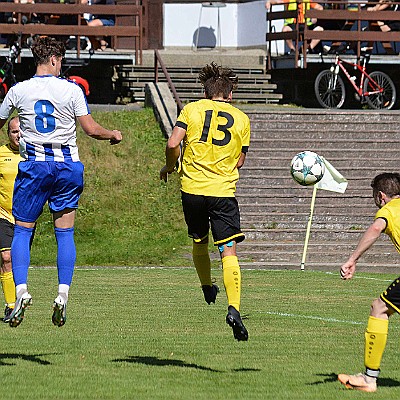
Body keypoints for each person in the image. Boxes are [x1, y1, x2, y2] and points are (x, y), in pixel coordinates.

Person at [0, 35, 122, 328]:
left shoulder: (18, 91)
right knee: (64, 234)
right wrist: (113, 134)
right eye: (61, 61)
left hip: (34, 168)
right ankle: (62, 295)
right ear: (54, 59)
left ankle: (21, 292)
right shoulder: (71, 90)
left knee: (21, 231)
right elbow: (91, 129)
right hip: (67, 167)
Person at [160, 62, 250, 342]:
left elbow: (173, 143)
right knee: (228, 251)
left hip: (192, 190)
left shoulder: (191, 110)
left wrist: (169, 166)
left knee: (199, 240)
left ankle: (206, 286)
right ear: (230, 95)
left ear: (205, 92)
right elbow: (240, 160)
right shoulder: (242, 119)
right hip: (222, 192)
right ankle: (234, 308)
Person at [338, 172, 400, 393]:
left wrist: (352, 260)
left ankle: (369, 379)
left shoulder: (388, 210)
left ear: (382, 196)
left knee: (379, 308)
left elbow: (375, 228)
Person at [0, 116, 22, 323]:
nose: (19, 135)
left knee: (19, 263)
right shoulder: (1, 153)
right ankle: (10, 305)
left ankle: (20, 301)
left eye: (21, 130)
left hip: (26, 218)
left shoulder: (34, 154)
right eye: (14, 131)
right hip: (3, 215)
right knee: (6, 258)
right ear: (8, 134)